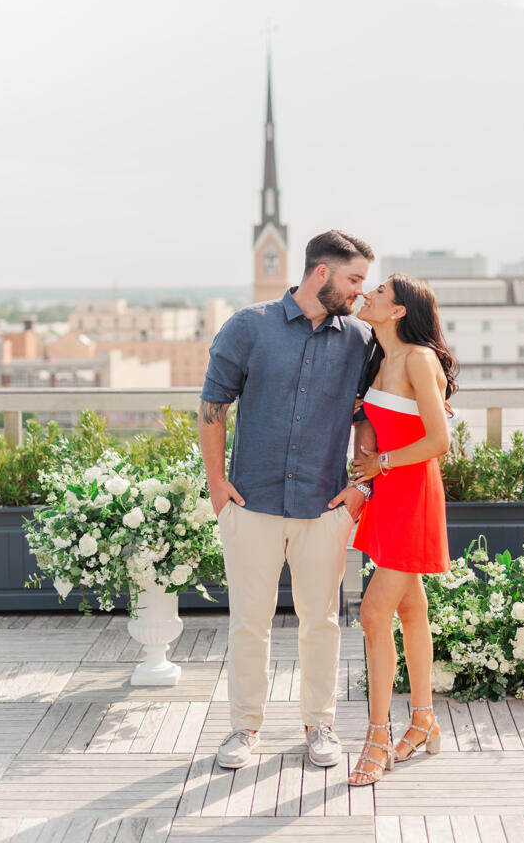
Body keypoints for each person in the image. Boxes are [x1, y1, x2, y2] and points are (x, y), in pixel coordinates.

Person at [199, 230, 376, 771]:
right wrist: (215, 484)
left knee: (320, 621)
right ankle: (244, 729)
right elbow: (212, 406)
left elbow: (371, 413)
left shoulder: (362, 341)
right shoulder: (248, 327)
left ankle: (319, 723)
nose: (359, 293)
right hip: (249, 501)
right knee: (248, 621)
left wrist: (360, 485)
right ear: (321, 273)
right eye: (353, 280)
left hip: (324, 507)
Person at [335, 273, 459, 786]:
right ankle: (425, 720)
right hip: (388, 496)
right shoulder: (379, 359)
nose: (368, 295)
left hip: (412, 495)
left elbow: (439, 441)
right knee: (411, 609)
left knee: (371, 613)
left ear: (400, 310)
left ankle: (378, 735)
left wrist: (380, 463)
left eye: (379, 292)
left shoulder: (418, 359)